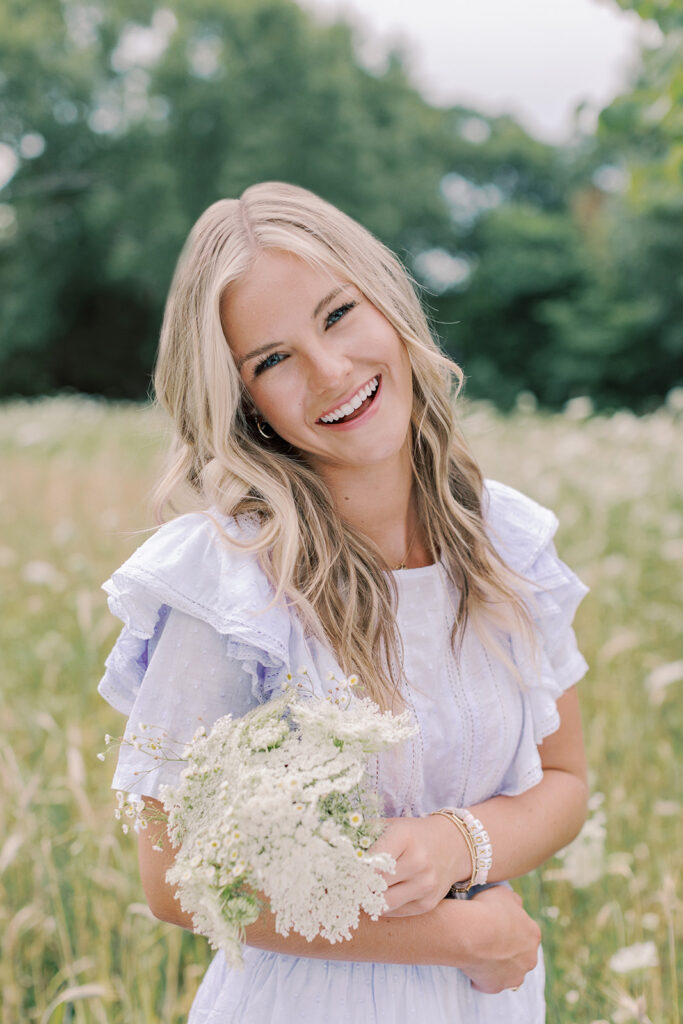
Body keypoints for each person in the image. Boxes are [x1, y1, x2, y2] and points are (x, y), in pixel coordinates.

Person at [98, 181, 589, 1023]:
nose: (330, 372)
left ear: (387, 302)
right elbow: (174, 882)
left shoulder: (505, 542)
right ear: (242, 398)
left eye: (337, 315)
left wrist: (455, 843)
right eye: (272, 360)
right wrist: (454, 936)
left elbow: (564, 781)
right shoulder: (229, 588)